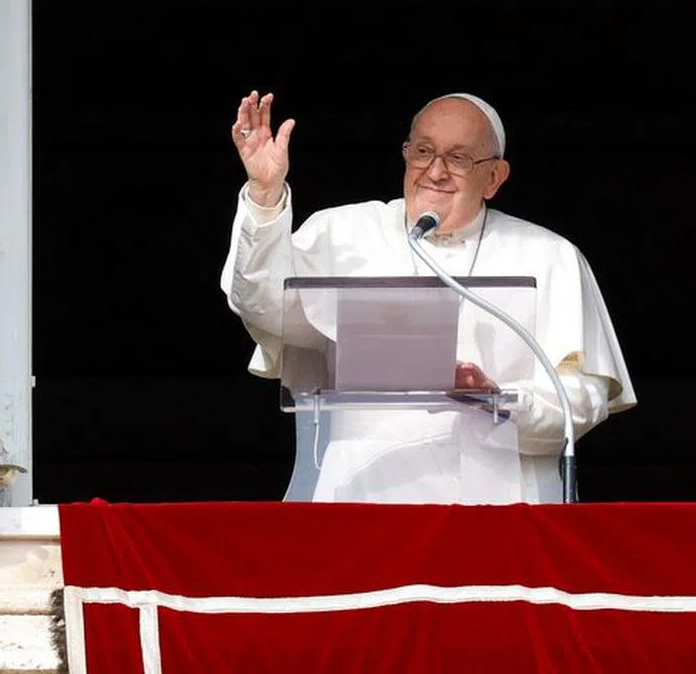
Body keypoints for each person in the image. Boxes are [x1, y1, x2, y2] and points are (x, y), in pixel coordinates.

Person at [220, 90, 636, 504]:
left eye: (458, 158)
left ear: (494, 177)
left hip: (502, 508)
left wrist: (503, 401)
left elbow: (582, 398)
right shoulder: (343, 234)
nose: (435, 171)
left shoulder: (549, 255)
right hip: (365, 503)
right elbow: (263, 307)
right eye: (423, 151)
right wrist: (265, 196)